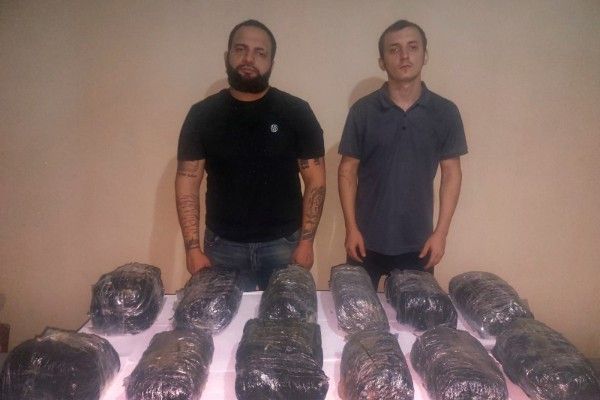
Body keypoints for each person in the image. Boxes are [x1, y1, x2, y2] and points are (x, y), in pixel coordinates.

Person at [176, 19, 325, 291]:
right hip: (222, 247)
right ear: (227, 56)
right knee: (224, 318)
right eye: (240, 49)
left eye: (260, 52)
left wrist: (306, 242)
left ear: (271, 63)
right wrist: (192, 248)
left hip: (284, 245)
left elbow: (316, 181)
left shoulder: (296, 112)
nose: (248, 59)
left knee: (287, 317)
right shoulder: (202, 115)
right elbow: (188, 182)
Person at [338, 20, 468, 289]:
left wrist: (441, 234)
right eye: (394, 49)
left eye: (412, 47)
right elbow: (347, 171)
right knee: (357, 313)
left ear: (425, 55)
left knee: (417, 314)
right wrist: (351, 229)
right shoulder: (362, 111)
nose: (404, 56)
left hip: (419, 243)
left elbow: (451, 174)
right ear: (382, 61)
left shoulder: (445, 112)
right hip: (364, 241)